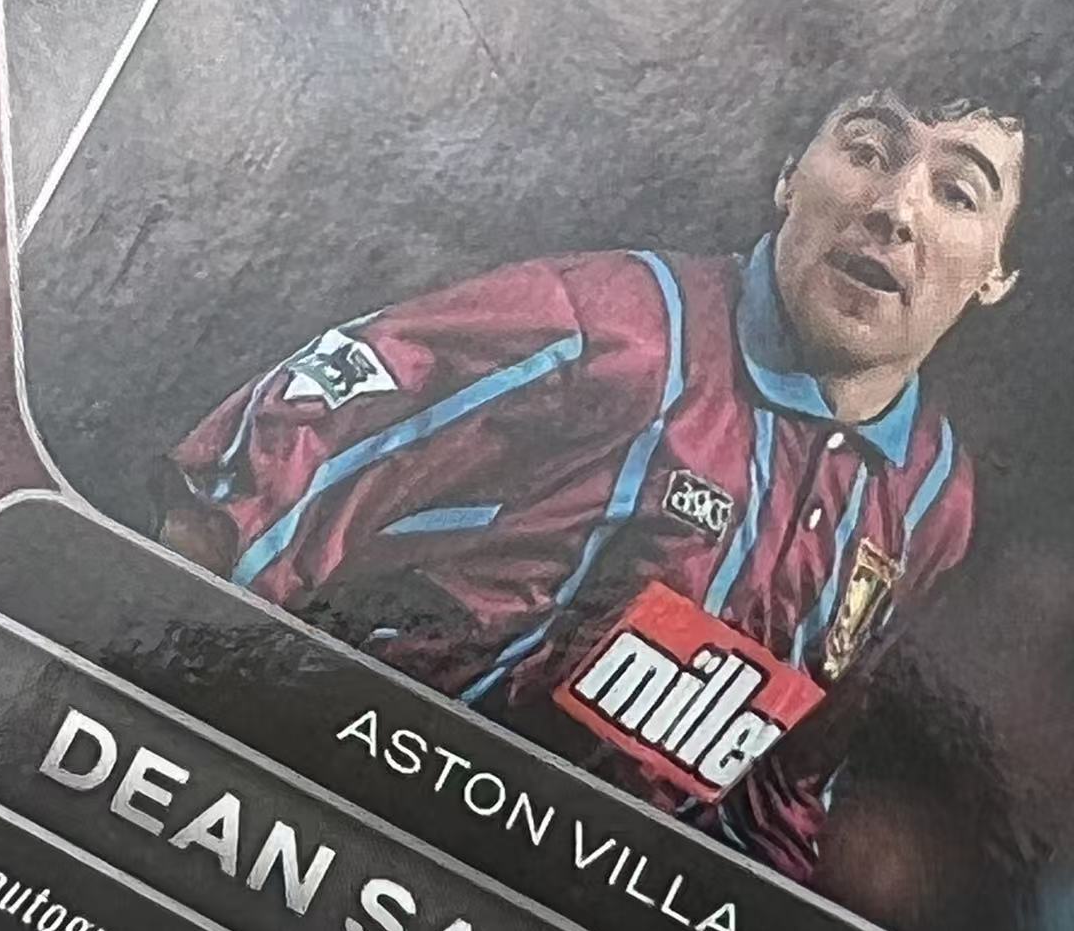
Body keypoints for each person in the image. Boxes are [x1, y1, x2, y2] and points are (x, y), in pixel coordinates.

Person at [159, 89, 1024, 882]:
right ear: (790, 176)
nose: (895, 209)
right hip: (347, 831)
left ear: (995, 273)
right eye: (868, 151)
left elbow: (780, 790)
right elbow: (245, 490)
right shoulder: (614, 332)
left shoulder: (932, 499)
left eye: (956, 192)